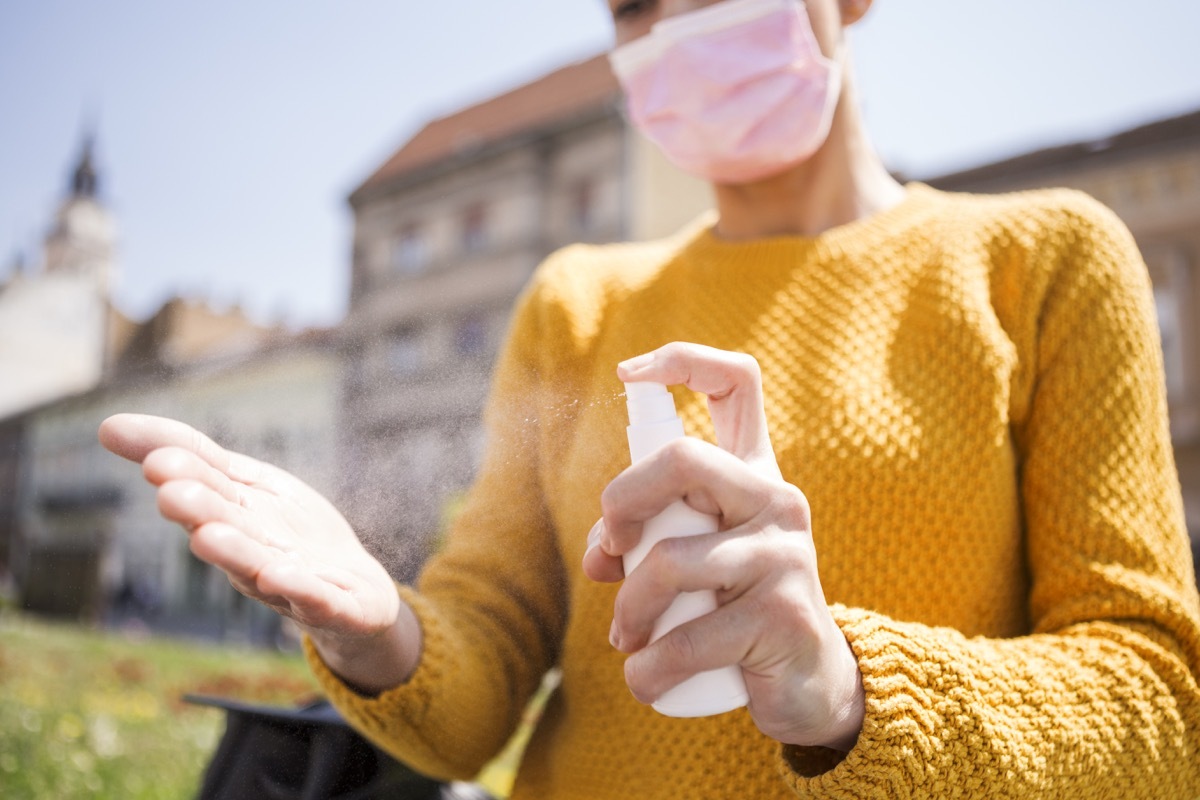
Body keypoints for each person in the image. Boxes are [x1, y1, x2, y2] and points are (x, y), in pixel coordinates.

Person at [99, 0, 1200, 796]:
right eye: (631, 4)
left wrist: (846, 684)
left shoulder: (1042, 261)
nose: (672, 26)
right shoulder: (576, 301)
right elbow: (483, 668)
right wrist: (383, 633)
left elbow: (1160, 708)